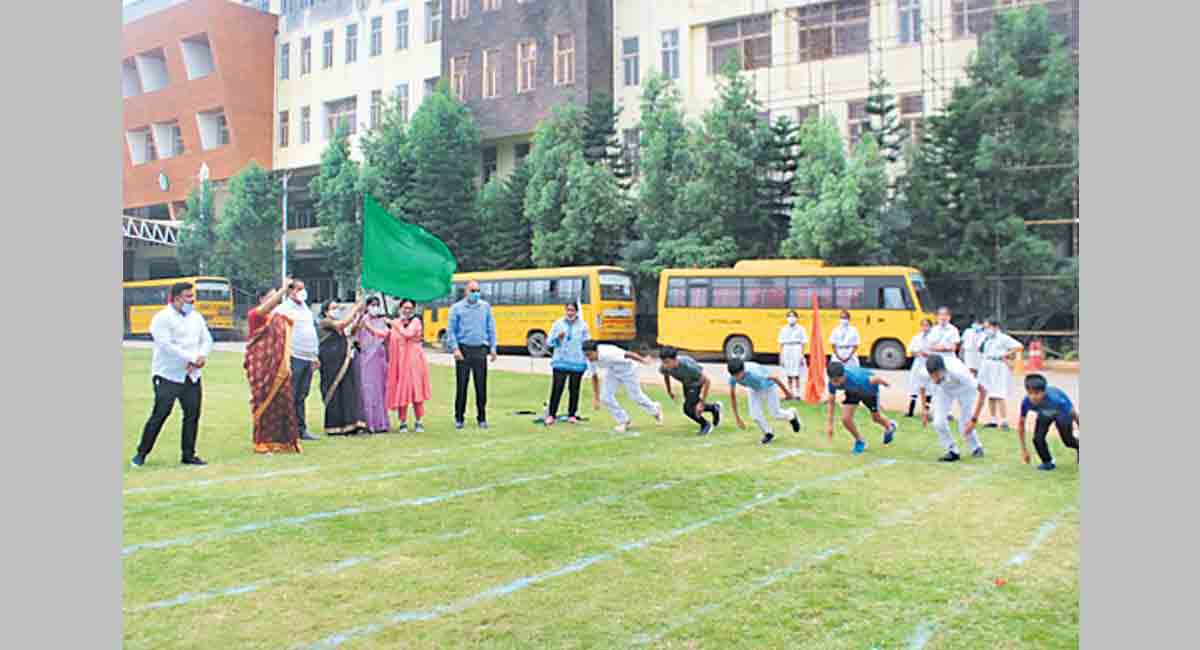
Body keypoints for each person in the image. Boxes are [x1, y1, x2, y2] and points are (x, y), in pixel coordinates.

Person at [132, 282, 213, 467]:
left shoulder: (196, 317)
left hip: (191, 375)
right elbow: (166, 345)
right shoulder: (162, 318)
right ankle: (141, 453)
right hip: (168, 375)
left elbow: (206, 339)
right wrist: (192, 357)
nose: (192, 300)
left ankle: (188, 454)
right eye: (188, 297)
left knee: (192, 414)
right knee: (160, 414)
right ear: (176, 298)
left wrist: (201, 356)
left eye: (192, 297)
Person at [244, 277, 302, 454]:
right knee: (263, 401)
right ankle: (262, 441)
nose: (275, 300)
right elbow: (266, 309)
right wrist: (283, 290)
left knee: (282, 403)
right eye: (271, 297)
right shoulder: (255, 315)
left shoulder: (278, 318)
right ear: (262, 299)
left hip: (280, 369)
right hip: (262, 369)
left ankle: (282, 441)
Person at [272, 280, 321, 441]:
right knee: (291, 393)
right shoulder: (284, 308)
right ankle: (286, 429)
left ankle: (301, 429)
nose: (302, 292)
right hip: (294, 356)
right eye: (298, 289)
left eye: (303, 288)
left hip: (308, 357)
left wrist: (315, 355)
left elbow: (310, 331)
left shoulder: (305, 308)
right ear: (290, 291)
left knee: (302, 394)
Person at [446, 280, 498, 430]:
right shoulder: (456, 308)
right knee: (462, 386)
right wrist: (455, 349)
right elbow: (451, 331)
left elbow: (491, 328)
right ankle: (459, 417)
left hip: (480, 349)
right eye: (473, 290)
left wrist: (493, 347)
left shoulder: (485, 307)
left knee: (481, 386)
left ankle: (482, 418)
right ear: (466, 292)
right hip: (463, 350)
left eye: (478, 290)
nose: (476, 293)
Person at [583, 340, 663, 434]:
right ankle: (624, 421)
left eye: (589, 354)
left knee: (636, 397)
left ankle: (655, 410)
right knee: (605, 397)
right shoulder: (589, 359)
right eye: (586, 355)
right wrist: (596, 399)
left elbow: (628, 354)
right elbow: (594, 376)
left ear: (596, 351)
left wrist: (643, 360)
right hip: (612, 371)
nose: (588, 358)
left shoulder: (609, 353)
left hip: (628, 370)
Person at [919, 354, 987, 462]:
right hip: (945, 390)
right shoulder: (923, 372)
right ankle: (952, 451)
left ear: (943, 369)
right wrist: (924, 410)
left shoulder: (959, 371)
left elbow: (983, 391)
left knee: (964, 424)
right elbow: (922, 388)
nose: (935, 379)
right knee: (938, 422)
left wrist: (974, 420)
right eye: (932, 376)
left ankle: (976, 448)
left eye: (937, 375)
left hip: (965, 389)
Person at [317, 299, 368, 435]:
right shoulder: (325, 322)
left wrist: (360, 317)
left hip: (344, 362)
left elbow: (351, 331)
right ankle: (334, 427)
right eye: (333, 308)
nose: (337, 311)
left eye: (338, 308)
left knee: (347, 392)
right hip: (331, 364)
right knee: (334, 393)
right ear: (326, 311)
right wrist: (356, 308)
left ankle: (351, 424)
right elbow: (343, 324)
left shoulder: (339, 326)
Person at [825, 361, 897, 455]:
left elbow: (875, 379)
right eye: (832, 381)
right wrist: (830, 425)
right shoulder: (832, 383)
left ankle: (890, 426)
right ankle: (860, 441)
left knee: (876, 418)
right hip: (852, 393)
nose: (835, 384)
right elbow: (831, 402)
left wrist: (886, 384)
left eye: (837, 381)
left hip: (869, 392)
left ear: (844, 376)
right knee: (846, 419)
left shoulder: (858, 379)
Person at [727, 359, 802, 445]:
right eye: (734, 375)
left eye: (738, 375)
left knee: (776, 414)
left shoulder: (755, 372)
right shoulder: (733, 378)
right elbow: (732, 396)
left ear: (743, 370)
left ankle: (792, 415)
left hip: (769, 386)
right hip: (754, 389)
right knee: (755, 415)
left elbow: (775, 378)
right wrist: (737, 418)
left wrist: (787, 393)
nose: (736, 378)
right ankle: (769, 433)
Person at [385, 298, 432, 432]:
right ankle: (403, 421)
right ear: (400, 309)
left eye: (410, 308)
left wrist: (394, 324)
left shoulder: (416, 321)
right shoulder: (397, 323)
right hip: (401, 360)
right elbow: (388, 337)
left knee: (416, 390)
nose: (407, 311)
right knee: (402, 391)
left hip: (415, 360)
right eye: (405, 308)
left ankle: (419, 421)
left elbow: (408, 334)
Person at [1017, 374, 1080, 471]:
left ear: (1044, 392)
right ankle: (1048, 462)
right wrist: (1024, 450)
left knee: (1068, 441)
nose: (1033, 397)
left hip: (1062, 413)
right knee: (1037, 439)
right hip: (1044, 413)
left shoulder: (1057, 400)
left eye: (1037, 393)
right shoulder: (1026, 402)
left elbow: (1074, 414)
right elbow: (1021, 425)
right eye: (1030, 393)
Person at [544, 302, 591, 425]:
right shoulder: (558, 324)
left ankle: (572, 414)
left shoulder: (583, 325)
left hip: (577, 362)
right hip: (560, 361)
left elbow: (587, 343)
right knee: (557, 388)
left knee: (574, 389)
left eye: (572, 310)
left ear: (576, 311)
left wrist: (587, 361)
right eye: (568, 310)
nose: (570, 313)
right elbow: (549, 343)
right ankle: (551, 415)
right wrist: (557, 338)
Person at [659, 346, 722, 436]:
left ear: (675, 359)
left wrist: (702, 403)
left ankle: (705, 425)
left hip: (696, 382)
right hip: (686, 383)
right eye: (663, 362)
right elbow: (666, 375)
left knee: (688, 409)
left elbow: (707, 381)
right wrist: (669, 391)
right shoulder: (665, 367)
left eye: (667, 362)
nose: (665, 365)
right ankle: (714, 408)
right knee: (693, 405)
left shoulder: (687, 366)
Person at [977, 318, 1024, 430]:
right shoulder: (985, 338)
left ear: (995, 327)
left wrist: (1005, 354)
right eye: (985, 327)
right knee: (989, 393)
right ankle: (993, 419)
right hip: (987, 364)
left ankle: (1004, 420)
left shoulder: (1003, 338)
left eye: (988, 327)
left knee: (999, 393)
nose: (986, 329)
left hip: (998, 366)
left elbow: (1019, 347)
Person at [354, 296, 391, 433]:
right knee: (367, 389)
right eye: (372, 304)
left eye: (377, 305)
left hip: (379, 359)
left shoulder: (381, 321)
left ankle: (380, 423)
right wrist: (359, 319)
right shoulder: (362, 320)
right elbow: (354, 336)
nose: (374, 307)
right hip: (365, 359)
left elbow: (385, 335)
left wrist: (369, 327)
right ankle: (367, 423)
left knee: (380, 390)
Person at [906, 318, 934, 418]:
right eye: (923, 325)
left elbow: (936, 351)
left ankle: (926, 411)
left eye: (927, 325)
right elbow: (911, 349)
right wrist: (917, 353)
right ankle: (910, 411)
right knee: (915, 385)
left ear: (931, 326)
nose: (925, 327)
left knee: (929, 387)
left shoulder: (934, 338)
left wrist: (928, 354)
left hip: (929, 363)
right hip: (918, 363)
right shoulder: (917, 337)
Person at [777, 310, 808, 396]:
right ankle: (790, 393)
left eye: (793, 316)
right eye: (789, 316)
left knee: (797, 373)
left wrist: (802, 355)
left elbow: (803, 343)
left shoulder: (801, 329)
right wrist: (781, 357)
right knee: (788, 373)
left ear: (797, 318)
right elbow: (781, 344)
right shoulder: (783, 329)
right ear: (787, 318)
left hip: (796, 349)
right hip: (787, 350)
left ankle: (797, 393)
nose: (791, 318)